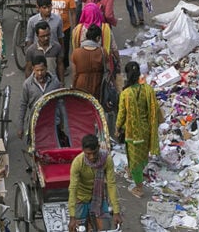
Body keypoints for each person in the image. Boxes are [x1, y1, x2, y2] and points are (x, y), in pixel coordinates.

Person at [116, 61, 161, 199]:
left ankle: (138, 187)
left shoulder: (126, 93)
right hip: (146, 130)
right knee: (142, 156)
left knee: (134, 158)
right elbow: (155, 109)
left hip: (131, 131)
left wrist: (117, 127)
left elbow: (122, 113)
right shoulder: (148, 89)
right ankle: (132, 172)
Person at [68, 134, 122, 231]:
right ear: (83, 151)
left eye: (94, 153)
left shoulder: (107, 159)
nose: (92, 157)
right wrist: (72, 217)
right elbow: (73, 189)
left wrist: (116, 212)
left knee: (106, 228)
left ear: (98, 148)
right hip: (81, 197)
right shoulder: (77, 163)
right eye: (88, 154)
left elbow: (111, 185)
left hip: (99, 198)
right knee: (75, 228)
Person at [17, 54, 63, 139]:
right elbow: (23, 105)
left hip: (52, 122)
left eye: (42, 70)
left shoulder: (55, 82)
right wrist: (20, 127)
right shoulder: (27, 84)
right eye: (37, 70)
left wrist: (62, 122)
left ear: (46, 68)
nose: (40, 73)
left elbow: (60, 102)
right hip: (35, 123)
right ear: (33, 69)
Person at [71, 23, 109, 97]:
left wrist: (73, 86)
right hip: (97, 85)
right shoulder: (102, 52)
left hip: (81, 86)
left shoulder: (76, 52)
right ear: (98, 38)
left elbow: (75, 74)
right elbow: (108, 70)